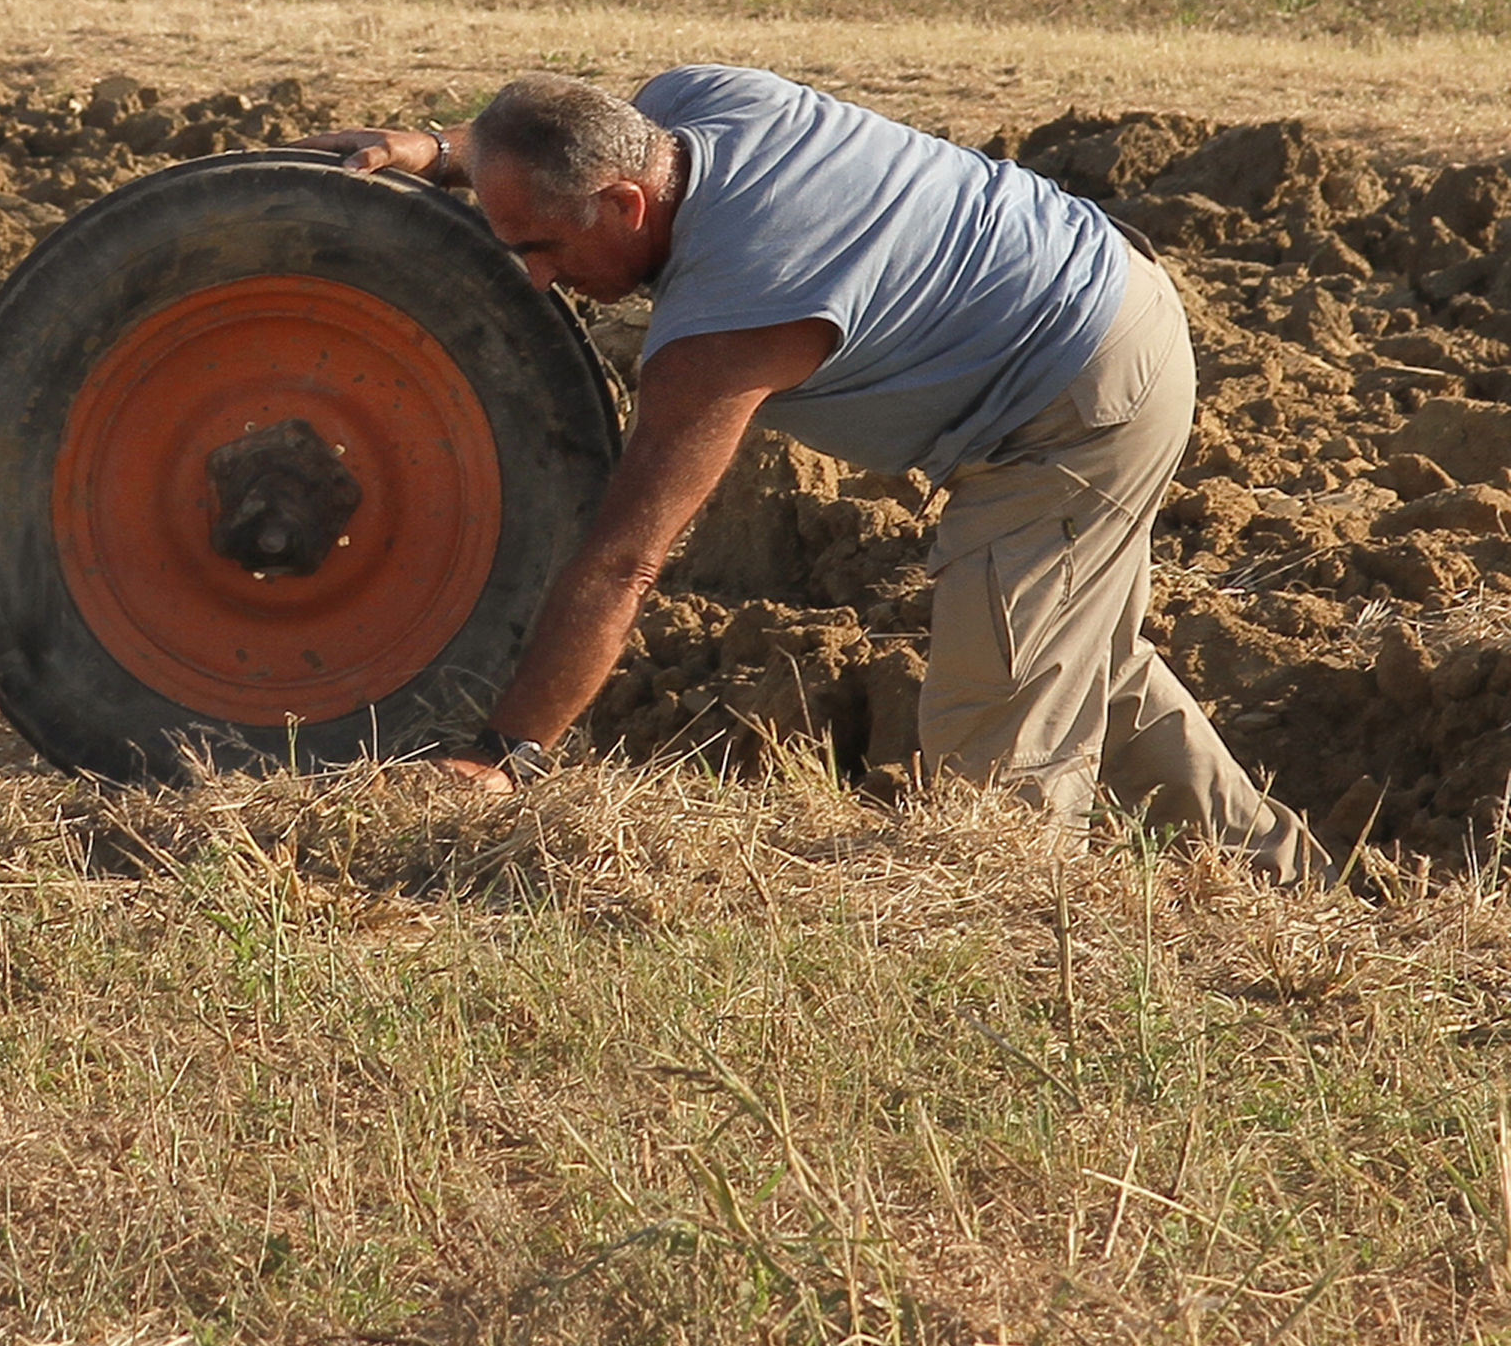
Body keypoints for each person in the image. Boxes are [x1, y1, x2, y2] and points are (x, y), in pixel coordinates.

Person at [301, 66, 1330, 885]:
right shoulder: (689, 103)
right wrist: (442, 151)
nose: (533, 275)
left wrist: (505, 753)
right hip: (1104, 295)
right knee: (1079, 665)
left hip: (1067, 403)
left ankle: (1016, 961)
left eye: (541, 245)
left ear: (623, 203)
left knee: (996, 743)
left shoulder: (733, 318)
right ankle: (1278, 880)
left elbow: (625, 561)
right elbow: (547, 134)